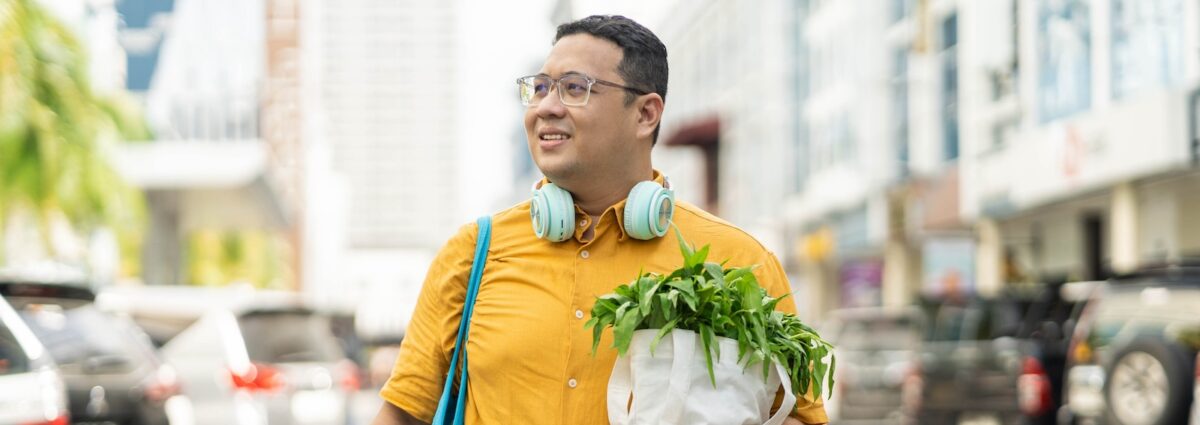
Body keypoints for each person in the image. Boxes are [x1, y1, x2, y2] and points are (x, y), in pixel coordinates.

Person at [372, 15, 828, 425]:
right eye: (541, 87)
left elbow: (796, 416)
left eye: (574, 88)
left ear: (646, 114)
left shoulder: (740, 262)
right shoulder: (474, 253)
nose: (545, 107)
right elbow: (403, 413)